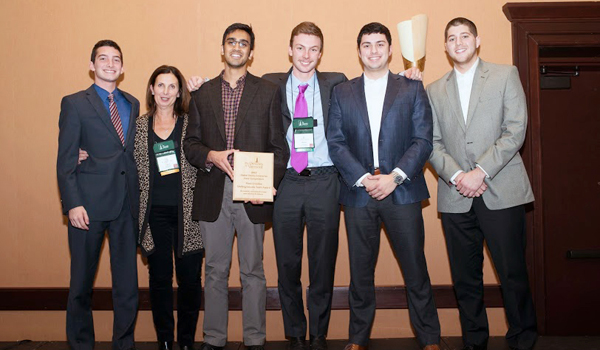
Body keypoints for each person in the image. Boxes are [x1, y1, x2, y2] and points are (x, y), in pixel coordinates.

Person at [327, 22, 441, 350]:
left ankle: (430, 339)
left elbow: (423, 139)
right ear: (359, 50)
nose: (373, 50)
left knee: (415, 270)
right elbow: (335, 142)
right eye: (367, 44)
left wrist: (394, 177)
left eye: (380, 44)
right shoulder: (342, 91)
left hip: (402, 191)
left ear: (390, 50)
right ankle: (358, 340)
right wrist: (364, 178)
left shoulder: (411, 88)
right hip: (359, 194)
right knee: (360, 274)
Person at [427, 17, 536, 350]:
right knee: (465, 279)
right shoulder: (434, 89)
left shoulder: (505, 75)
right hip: (455, 195)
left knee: (512, 274)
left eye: (464, 36)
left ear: (477, 41)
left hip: (501, 191)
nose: (458, 42)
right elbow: (431, 142)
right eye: (451, 38)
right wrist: (459, 176)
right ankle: (474, 341)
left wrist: (480, 171)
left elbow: (515, 129)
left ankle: (523, 339)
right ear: (445, 46)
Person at [183, 23, 289, 350]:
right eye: (232, 41)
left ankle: (255, 339)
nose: (237, 47)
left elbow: (279, 148)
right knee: (215, 270)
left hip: (252, 194)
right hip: (214, 192)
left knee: (253, 271)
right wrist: (211, 155)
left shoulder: (269, 91)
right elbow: (191, 144)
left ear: (251, 52)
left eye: (244, 43)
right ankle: (214, 339)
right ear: (223, 48)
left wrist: (268, 184)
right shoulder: (202, 93)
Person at [261, 22, 347, 350]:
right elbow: (234, 88)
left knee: (323, 263)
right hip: (286, 182)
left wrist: (408, 76)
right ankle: (295, 334)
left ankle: (319, 335)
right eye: (300, 47)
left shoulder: (335, 82)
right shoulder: (270, 83)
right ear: (289, 49)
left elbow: (371, 87)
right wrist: (196, 85)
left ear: (321, 53)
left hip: (325, 180)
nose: (306, 55)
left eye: (313, 49)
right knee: (287, 264)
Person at [57, 40, 140, 350]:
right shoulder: (75, 103)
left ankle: (124, 344)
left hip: (125, 205)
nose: (110, 63)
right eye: (103, 58)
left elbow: (125, 153)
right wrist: (72, 203)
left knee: (127, 287)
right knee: (80, 284)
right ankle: (81, 345)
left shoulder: (132, 102)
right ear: (92, 65)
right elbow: (65, 160)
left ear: (122, 67)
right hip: (87, 207)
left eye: (116, 59)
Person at [134, 65, 203, 350]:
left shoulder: (191, 124)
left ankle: (186, 341)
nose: (165, 92)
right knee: (159, 279)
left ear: (179, 91)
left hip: (188, 213)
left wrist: (203, 85)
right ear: (152, 89)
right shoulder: (138, 126)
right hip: (154, 215)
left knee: (189, 281)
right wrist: (84, 153)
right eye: (160, 85)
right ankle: (164, 340)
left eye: (171, 86)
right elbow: (117, 157)